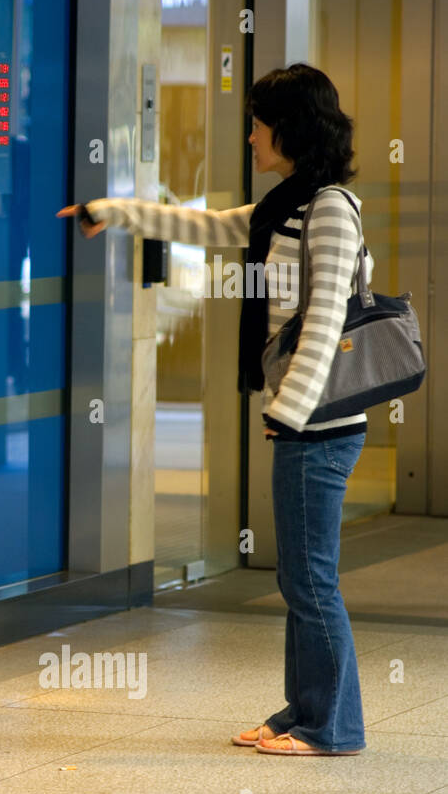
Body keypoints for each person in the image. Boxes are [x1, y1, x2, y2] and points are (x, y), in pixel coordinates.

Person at [59, 63, 368, 756]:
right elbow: (200, 225)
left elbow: (323, 321)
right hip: (302, 420)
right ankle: (305, 708)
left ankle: (332, 726)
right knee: (300, 573)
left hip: (320, 424)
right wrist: (113, 212)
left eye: (259, 122)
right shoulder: (282, 205)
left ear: (289, 128)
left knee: (311, 574)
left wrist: (287, 409)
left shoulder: (330, 209)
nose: (251, 135)